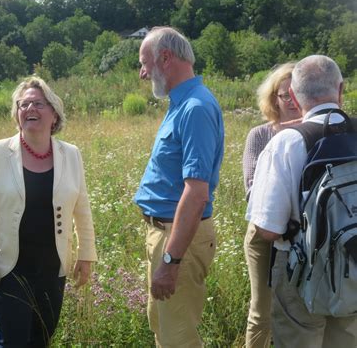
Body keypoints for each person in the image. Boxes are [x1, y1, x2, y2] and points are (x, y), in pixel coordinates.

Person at [0, 76, 97, 347]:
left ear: (54, 115)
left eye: (37, 103)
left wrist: (86, 254)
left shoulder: (71, 154)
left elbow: (82, 208)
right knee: (12, 342)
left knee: (42, 340)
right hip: (8, 268)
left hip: (53, 269)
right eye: (22, 105)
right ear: (16, 114)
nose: (29, 109)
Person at [246, 55, 357, 347]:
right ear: (341, 89)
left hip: (301, 270)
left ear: (294, 95)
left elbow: (267, 229)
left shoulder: (287, 142)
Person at [134, 26, 224, 347]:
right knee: (163, 327)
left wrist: (170, 262)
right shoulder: (181, 103)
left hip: (178, 240)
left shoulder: (195, 109)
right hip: (166, 234)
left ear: (166, 58)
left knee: (178, 339)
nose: (143, 74)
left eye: (145, 63)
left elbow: (197, 193)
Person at [242, 62, 300, 348]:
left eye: (295, 93)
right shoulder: (260, 135)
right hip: (262, 235)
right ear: (273, 98)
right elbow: (252, 189)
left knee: (302, 311)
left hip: (305, 235)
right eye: (283, 94)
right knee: (262, 311)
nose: (290, 101)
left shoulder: (317, 133)